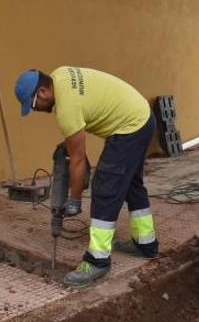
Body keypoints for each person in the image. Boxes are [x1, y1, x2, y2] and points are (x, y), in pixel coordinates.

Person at [14, 67, 158, 287]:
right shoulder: (60, 75)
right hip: (143, 118)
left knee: (104, 186)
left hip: (130, 127)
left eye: (33, 105)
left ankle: (98, 260)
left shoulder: (66, 110)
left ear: (42, 92)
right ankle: (145, 243)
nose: (35, 110)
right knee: (131, 183)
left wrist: (74, 198)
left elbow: (78, 160)